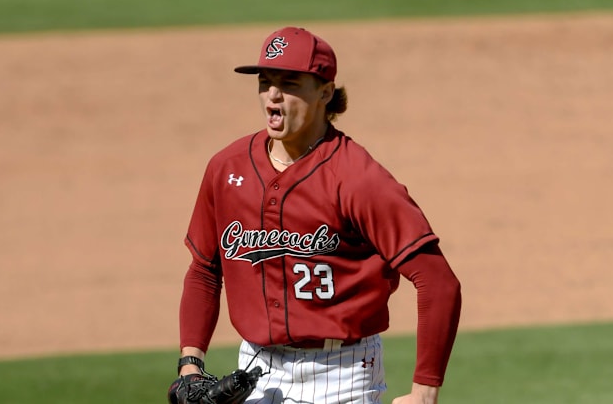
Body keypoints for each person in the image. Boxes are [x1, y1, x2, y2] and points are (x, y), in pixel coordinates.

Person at [169, 26, 462, 404]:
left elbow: (439, 282)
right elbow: (205, 268)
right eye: (265, 81)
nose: (273, 94)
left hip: (341, 373)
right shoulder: (227, 168)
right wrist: (190, 364)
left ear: (325, 92)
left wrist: (425, 391)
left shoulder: (357, 177)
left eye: (289, 83)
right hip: (256, 370)